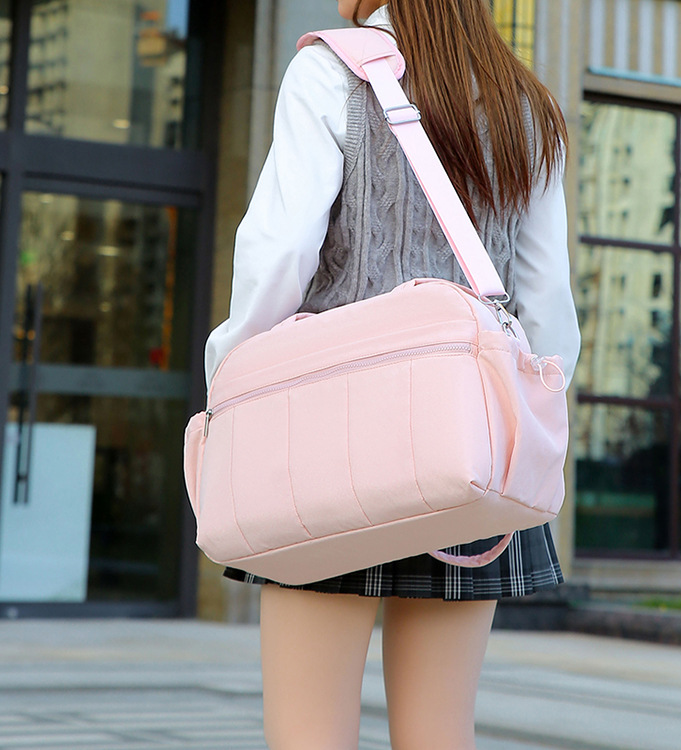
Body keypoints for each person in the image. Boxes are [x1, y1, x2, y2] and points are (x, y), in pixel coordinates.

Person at [204, 1, 580, 748]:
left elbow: (278, 260)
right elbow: (547, 312)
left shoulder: (329, 70)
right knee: (440, 733)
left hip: (329, 444)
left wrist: (230, 385)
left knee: (309, 735)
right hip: (470, 455)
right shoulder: (527, 107)